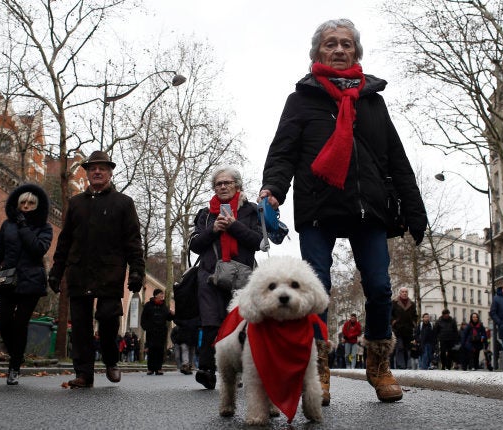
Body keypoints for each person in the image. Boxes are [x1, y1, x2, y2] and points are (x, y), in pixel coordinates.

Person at [258, 18, 427, 404]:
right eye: (330, 44)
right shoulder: (300, 100)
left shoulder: (373, 101)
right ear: (318, 52)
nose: (338, 50)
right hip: (319, 205)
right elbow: (283, 152)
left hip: (369, 207)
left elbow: (396, 159)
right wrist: (273, 190)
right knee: (317, 291)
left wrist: (415, 210)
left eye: (346, 44)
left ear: (356, 52)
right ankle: (318, 372)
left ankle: (380, 367)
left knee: (381, 289)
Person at [47, 150, 145, 388]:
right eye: (93, 168)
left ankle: (111, 360)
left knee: (109, 319)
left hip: (110, 272)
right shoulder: (76, 203)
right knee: (80, 325)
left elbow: (133, 241)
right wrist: (56, 271)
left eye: (102, 168)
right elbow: (65, 241)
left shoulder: (123, 203)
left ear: (110, 173)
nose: (97, 172)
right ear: (88, 174)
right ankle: (83, 374)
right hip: (79, 271)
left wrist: (136, 271)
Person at [189, 165, 263, 389]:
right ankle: (207, 369)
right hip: (210, 274)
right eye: (218, 184)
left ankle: (238, 369)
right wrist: (213, 229)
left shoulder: (252, 210)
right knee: (210, 321)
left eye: (227, 183)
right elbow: (194, 244)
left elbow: (258, 241)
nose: (222, 187)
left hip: (242, 275)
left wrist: (233, 226)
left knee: (240, 324)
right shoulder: (205, 214)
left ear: (237, 185)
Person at [0, 184, 53, 385]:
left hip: (32, 282)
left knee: (20, 324)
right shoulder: (7, 225)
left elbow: (38, 249)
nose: (26, 206)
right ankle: (16, 355)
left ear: (37, 205)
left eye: (31, 203)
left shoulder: (45, 227)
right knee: (4, 323)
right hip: (7, 281)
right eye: (23, 203)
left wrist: (24, 226)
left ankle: (14, 367)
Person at [141, 288, 174, 375]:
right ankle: (150, 368)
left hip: (161, 332)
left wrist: (172, 315)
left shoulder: (164, 306)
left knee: (160, 350)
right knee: (151, 349)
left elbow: (168, 318)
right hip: (151, 331)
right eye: (160, 294)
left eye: (162, 294)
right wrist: (146, 327)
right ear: (155, 295)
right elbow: (143, 317)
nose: (162, 296)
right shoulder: (148, 305)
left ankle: (159, 368)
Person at [391, 287, 417, 369]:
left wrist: (414, 323)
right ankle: (400, 365)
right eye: (403, 292)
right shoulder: (394, 303)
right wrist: (393, 322)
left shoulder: (412, 304)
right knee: (400, 347)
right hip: (398, 329)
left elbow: (415, 316)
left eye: (406, 292)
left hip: (408, 330)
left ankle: (406, 365)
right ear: (400, 293)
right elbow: (390, 314)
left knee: (407, 348)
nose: (404, 293)